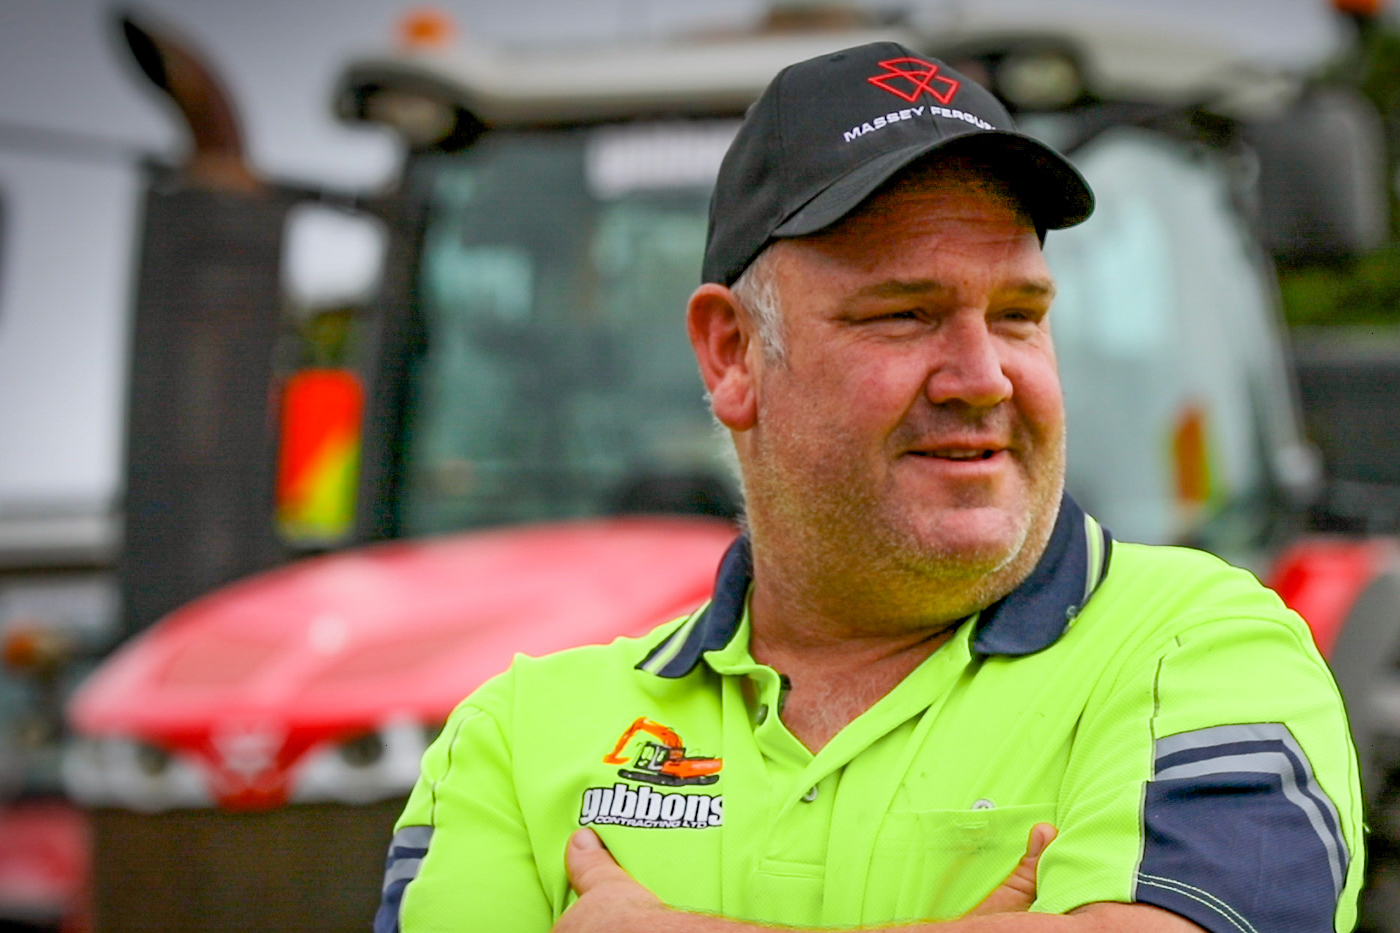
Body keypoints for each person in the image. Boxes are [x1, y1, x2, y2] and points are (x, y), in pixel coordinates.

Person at [374, 41, 1363, 933]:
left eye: (1018, 314)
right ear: (732, 355)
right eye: (904, 314)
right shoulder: (515, 737)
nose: (982, 377)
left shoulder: (1202, 652)